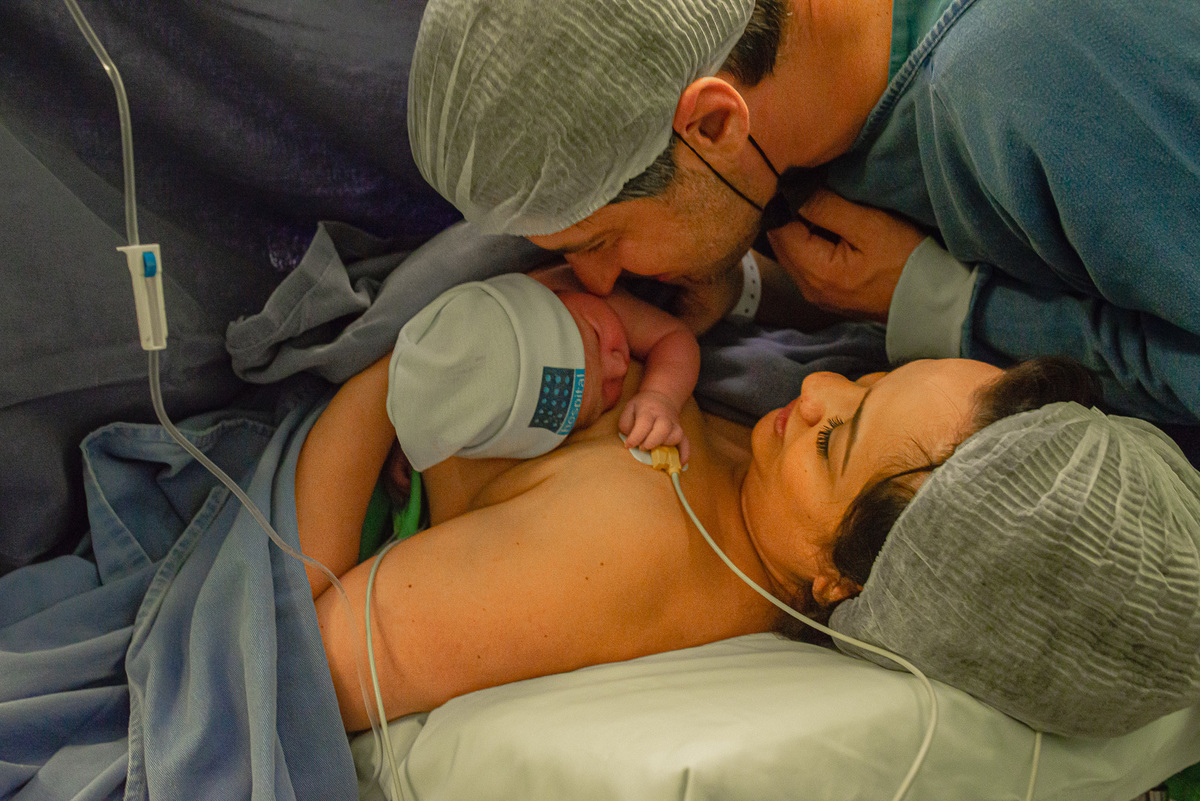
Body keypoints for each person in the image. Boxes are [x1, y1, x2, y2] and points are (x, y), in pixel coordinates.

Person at [294, 353, 1200, 736]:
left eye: (832, 440)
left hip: (317, 464)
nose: (818, 386)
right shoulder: (768, 496)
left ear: (841, 580)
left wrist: (393, 379)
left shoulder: (623, 548)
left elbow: (308, 659)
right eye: (873, 376)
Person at [405, 0, 1200, 429]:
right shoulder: (802, 106)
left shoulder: (1029, 75)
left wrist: (942, 308)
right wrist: (748, 283)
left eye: (603, 240)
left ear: (714, 124)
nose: (600, 279)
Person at [386, 269, 700, 472]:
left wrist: (661, 396)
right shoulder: (585, 315)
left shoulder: (579, 286)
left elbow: (674, 336)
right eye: (603, 398)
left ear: (554, 295)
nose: (619, 366)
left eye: (596, 336)